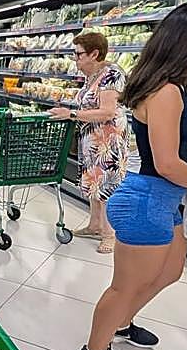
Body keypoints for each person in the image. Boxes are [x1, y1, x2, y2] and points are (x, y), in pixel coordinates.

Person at [76, 3, 187, 350]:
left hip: (163, 198)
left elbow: (168, 142)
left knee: (170, 270)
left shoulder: (171, 86)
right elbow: (166, 163)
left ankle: (122, 324)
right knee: (125, 286)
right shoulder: (166, 91)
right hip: (148, 197)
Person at [48, 32, 127, 253]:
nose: (75, 58)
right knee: (94, 184)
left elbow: (107, 111)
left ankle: (109, 234)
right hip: (91, 138)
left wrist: (71, 115)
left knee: (107, 186)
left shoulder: (111, 75)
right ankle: (94, 225)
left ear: (95, 53)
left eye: (78, 54)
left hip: (107, 139)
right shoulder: (92, 76)